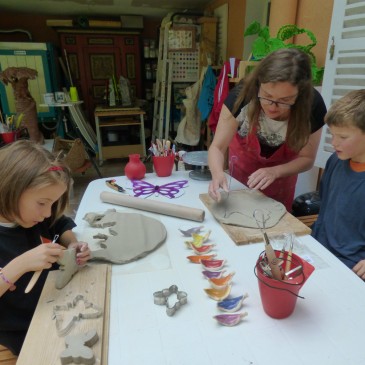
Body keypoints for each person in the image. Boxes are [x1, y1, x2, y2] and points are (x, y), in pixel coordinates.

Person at [0, 140, 91, 355]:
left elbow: (58, 223)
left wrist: (72, 243)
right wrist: (20, 265)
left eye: (52, 203)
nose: (47, 212)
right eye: (42, 203)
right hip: (22, 329)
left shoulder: (35, 216)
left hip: (55, 304)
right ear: (9, 189)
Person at [208, 48, 327, 211]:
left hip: (280, 183)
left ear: (300, 95)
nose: (273, 107)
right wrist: (217, 173)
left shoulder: (312, 106)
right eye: (267, 96)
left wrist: (275, 172)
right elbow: (217, 147)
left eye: (285, 100)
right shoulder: (242, 96)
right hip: (240, 179)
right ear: (259, 84)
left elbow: (307, 159)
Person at [311, 89, 365, 279]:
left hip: (352, 267)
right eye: (332, 135)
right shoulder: (335, 161)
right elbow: (325, 209)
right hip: (319, 251)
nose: (334, 143)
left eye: (343, 137)